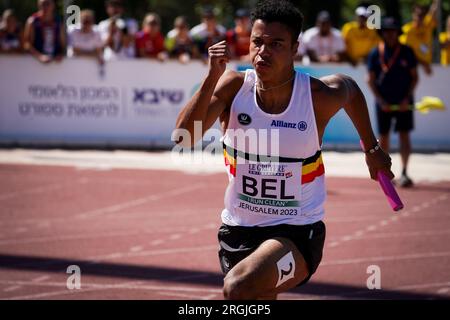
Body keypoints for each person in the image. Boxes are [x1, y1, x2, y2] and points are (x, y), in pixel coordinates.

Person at [175, 0, 393, 300]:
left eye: (276, 44)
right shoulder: (234, 86)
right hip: (238, 229)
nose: (263, 51)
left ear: (295, 49)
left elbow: (350, 89)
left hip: (296, 231)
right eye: (257, 42)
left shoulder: (315, 96)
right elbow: (184, 138)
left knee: (239, 287)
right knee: (257, 296)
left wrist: (371, 148)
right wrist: (211, 77)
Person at [367, 17, 418, 188]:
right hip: (383, 103)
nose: (390, 34)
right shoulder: (375, 53)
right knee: (384, 138)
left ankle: (404, 172)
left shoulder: (407, 51)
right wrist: (380, 100)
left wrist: (407, 98)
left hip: (404, 101)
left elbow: (414, 78)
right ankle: (385, 172)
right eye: (387, 31)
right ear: (382, 34)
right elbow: (370, 80)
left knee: (404, 135)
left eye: (393, 31)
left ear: (398, 33)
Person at [400, 0, 440, 75]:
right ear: (413, 15)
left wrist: (436, 2)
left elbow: (433, 11)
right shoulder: (407, 30)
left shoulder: (427, 25)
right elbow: (402, 51)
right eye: (418, 14)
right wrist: (422, 63)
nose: (420, 17)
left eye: (422, 15)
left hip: (428, 67)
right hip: (412, 68)